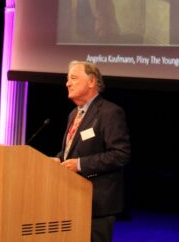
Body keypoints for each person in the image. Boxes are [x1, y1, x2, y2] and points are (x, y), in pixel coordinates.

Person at [54, 61, 130, 242]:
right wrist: (58, 159)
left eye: (73, 78)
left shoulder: (110, 112)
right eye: (67, 80)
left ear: (91, 81)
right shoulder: (74, 114)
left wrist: (80, 165)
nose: (67, 83)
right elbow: (69, 151)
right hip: (71, 199)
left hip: (97, 204)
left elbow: (120, 154)